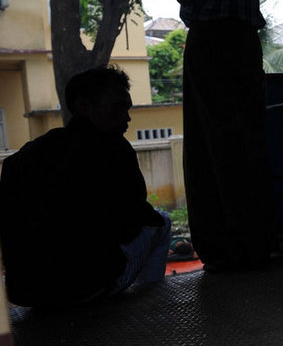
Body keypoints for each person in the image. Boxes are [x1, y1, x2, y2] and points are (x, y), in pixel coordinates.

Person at [159, 0, 275, 272]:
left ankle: (223, 249)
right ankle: (257, 240)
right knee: (248, 140)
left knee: (212, 147)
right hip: (245, 42)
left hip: (211, 41)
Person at [0, 66, 170, 307]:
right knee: (162, 222)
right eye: (118, 106)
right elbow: (133, 220)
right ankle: (151, 302)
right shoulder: (113, 148)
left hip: (25, 294)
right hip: (86, 289)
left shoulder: (27, 155)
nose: (127, 117)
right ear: (84, 105)